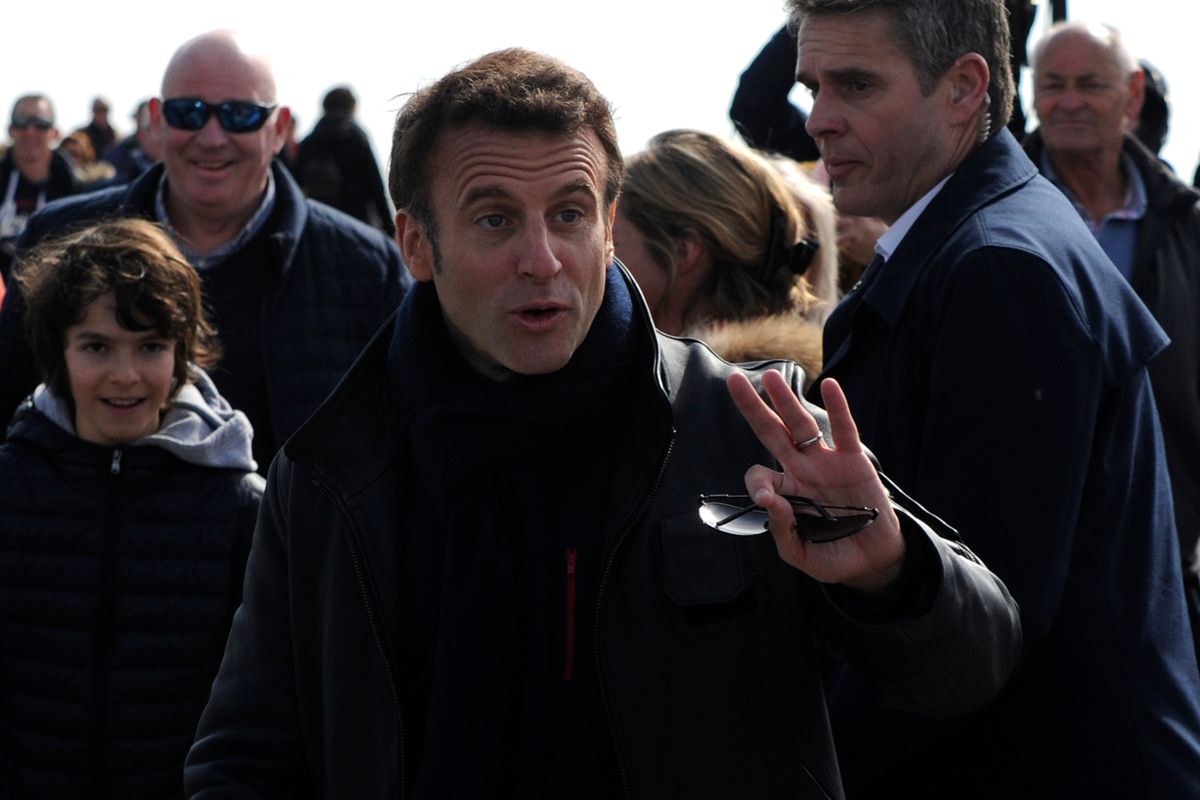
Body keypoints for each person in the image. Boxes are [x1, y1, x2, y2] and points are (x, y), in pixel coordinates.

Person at [183, 47, 1022, 798]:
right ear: (416, 245)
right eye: (494, 218)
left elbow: (967, 672)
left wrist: (892, 571)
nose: (542, 259)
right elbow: (247, 756)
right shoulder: (334, 468)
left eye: (571, 214)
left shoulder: (744, 426)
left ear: (610, 226)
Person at [791, 1, 1200, 797]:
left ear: (965, 87)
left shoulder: (999, 270)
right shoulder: (988, 239)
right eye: (813, 88)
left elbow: (971, 638)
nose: (819, 121)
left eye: (855, 86)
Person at [0, 31, 409, 470]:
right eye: (188, 113)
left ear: (280, 129)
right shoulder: (60, 239)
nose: (212, 137)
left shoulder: (368, 268)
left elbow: (406, 448)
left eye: (240, 115)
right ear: (156, 121)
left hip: (295, 538)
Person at [0, 218, 263, 798]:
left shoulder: (241, 508)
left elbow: (265, 709)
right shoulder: (11, 486)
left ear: (182, 354)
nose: (124, 375)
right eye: (96, 346)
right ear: (57, 352)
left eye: (150, 347)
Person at [1025, 20, 1200, 666]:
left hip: (1168, 542)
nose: (1069, 102)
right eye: (1053, 85)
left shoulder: (1186, 225)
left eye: (1090, 85)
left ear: (1131, 96)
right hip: (1027, 549)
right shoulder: (988, 211)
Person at [614, 129, 834, 380]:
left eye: (613, 242)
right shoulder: (806, 380)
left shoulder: (701, 399)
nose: (603, 260)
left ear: (682, 251)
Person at [0, 94, 80, 300]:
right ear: (10, 130)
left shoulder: (77, 189)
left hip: (58, 302)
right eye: (21, 123)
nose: (30, 131)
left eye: (41, 124)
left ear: (55, 133)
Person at [294, 85, 394, 236]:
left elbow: (295, 185)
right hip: (357, 227)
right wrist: (390, 228)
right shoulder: (356, 138)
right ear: (352, 107)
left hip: (318, 226)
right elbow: (375, 186)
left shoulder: (310, 141)